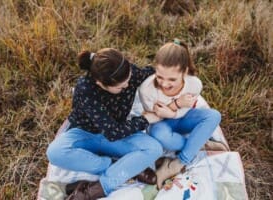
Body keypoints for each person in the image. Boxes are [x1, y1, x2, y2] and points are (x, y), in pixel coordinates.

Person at [46, 48, 163, 199]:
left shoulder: (129, 73)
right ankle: (121, 167)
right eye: (120, 86)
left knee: (154, 148)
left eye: (128, 80)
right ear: (100, 83)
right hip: (86, 133)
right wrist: (145, 120)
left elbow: (154, 73)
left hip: (117, 131)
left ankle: (95, 188)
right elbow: (112, 132)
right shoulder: (85, 88)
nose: (127, 86)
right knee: (55, 152)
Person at [138, 39, 228, 189]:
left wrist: (173, 111)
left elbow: (185, 111)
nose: (164, 84)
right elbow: (155, 116)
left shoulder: (194, 84)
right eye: (160, 77)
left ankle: (179, 162)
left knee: (213, 116)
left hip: (183, 118)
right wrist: (176, 105)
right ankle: (198, 143)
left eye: (172, 79)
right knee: (160, 136)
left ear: (184, 72)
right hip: (161, 124)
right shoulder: (146, 89)